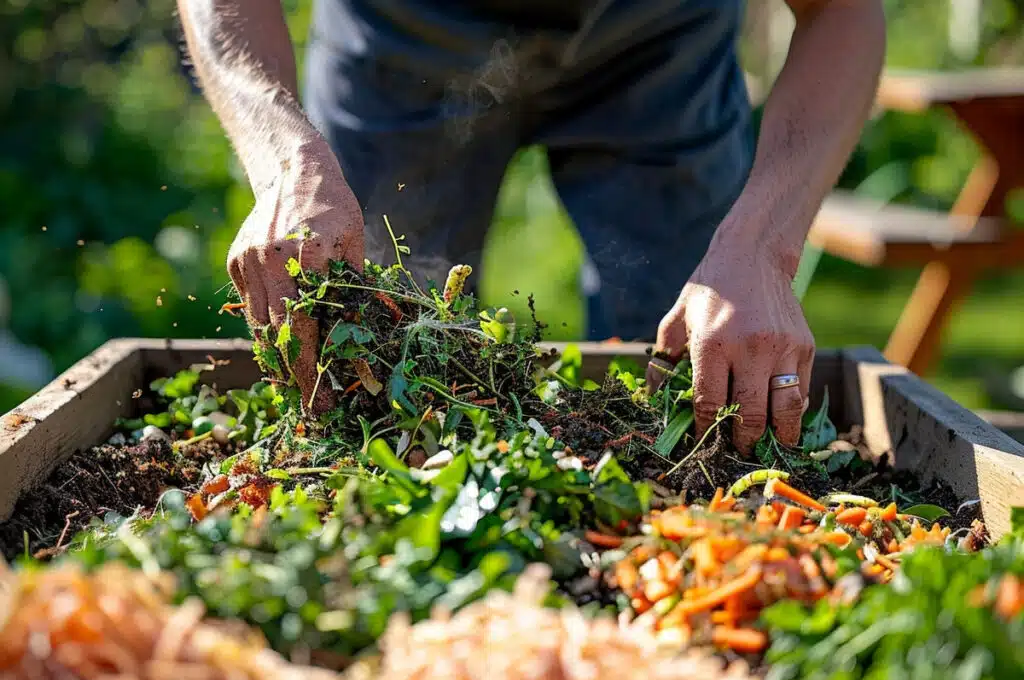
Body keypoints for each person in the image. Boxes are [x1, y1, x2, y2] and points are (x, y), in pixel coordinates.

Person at [177, 0, 885, 454]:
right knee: (365, 366)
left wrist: (762, 246)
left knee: (703, 390)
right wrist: (284, 160)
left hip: (658, 42)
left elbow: (843, 13)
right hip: (402, 40)